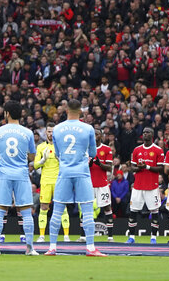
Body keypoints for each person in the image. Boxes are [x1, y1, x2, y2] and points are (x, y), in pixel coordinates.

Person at [45, 99, 105, 257]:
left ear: (66, 110)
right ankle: (90, 248)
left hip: (64, 172)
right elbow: (93, 153)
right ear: (81, 111)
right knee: (86, 210)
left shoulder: (57, 129)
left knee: (57, 210)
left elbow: (57, 154)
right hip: (82, 172)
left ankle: (52, 247)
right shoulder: (88, 128)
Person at [0, 101, 38, 255]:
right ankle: (29, 248)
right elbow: (32, 156)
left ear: (7, 114)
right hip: (21, 173)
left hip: (4, 174)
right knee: (25, 211)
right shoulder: (28, 133)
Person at [127, 127, 163, 244]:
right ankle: (131, 237)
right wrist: (139, 168)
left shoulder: (158, 150)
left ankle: (153, 237)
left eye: (147, 132)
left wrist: (146, 166)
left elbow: (161, 168)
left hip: (152, 186)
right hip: (138, 186)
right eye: (143, 132)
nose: (145, 134)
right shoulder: (137, 150)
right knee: (133, 211)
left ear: (152, 135)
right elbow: (132, 167)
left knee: (154, 211)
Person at [34, 123, 68, 242]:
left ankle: (66, 236)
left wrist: (60, 159)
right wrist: (43, 160)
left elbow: (68, 163)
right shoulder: (41, 147)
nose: (51, 134)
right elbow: (35, 165)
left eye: (53, 131)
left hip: (59, 180)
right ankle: (42, 236)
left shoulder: (62, 146)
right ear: (46, 133)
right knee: (44, 207)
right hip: (46, 181)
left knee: (63, 208)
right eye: (49, 131)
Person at [89, 129, 115, 242]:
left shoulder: (106, 149)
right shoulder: (87, 149)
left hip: (102, 184)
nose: (95, 136)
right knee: (85, 208)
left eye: (97, 134)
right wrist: (89, 164)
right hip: (89, 183)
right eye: (93, 134)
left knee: (107, 207)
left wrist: (100, 164)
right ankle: (83, 236)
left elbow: (109, 167)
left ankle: (110, 237)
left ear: (101, 136)